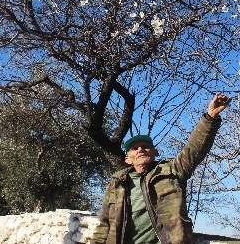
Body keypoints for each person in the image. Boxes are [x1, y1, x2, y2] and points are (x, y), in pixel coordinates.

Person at [90, 92, 232, 244]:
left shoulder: (172, 171)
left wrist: (210, 117)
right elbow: (104, 224)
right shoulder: (116, 184)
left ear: (155, 152)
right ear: (127, 159)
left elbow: (194, 149)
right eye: (134, 148)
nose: (140, 150)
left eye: (145, 146)